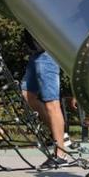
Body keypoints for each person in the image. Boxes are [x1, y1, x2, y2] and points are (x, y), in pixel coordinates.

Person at [22, 30, 69, 169]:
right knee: (27, 95)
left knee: (51, 103)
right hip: (35, 53)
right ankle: (59, 134)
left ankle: (60, 154)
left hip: (47, 53)